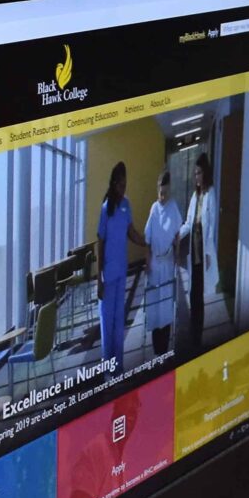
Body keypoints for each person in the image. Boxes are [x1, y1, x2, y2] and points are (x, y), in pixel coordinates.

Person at [93, 162, 138, 367]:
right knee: (107, 325)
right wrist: (98, 281)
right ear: (113, 184)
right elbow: (100, 244)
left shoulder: (126, 204)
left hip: (121, 272)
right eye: (120, 185)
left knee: (119, 323)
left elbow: (131, 231)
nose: (123, 189)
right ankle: (106, 369)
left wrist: (147, 241)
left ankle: (117, 367)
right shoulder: (106, 209)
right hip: (108, 276)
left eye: (125, 185)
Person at [180, 153, 219, 354]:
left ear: (206, 173)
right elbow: (189, 222)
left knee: (199, 294)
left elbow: (211, 226)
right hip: (194, 249)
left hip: (204, 250)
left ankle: (198, 335)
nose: (196, 177)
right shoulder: (195, 196)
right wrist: (178, 235)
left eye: (199, 173)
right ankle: (194, 333)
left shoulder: (210, 194)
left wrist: (210, 253)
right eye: (195, 173)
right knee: (194, 293)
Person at [143, 168, 181, 359]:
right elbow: (148, 238)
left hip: (167, 264)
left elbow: (177, 235)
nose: (162, 196)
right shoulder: (153, 208)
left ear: (169, 190)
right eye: (160, 192)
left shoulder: (173, 207)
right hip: (155, 266)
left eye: (165, 192)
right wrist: (147, 262)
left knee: (165, 307)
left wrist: (178, 257)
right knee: (153, 307)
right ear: (157, 189)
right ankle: (155, 348)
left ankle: (163, 351)